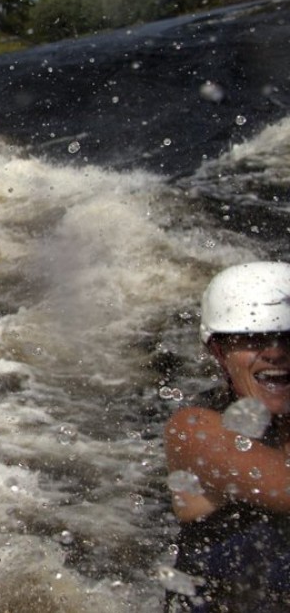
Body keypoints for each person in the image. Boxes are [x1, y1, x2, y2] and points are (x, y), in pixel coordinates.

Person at [164, 261, 290, 611]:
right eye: (254, 339)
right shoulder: (195, 429)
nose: (276, 352)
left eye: (288, 338)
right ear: (219, 352)